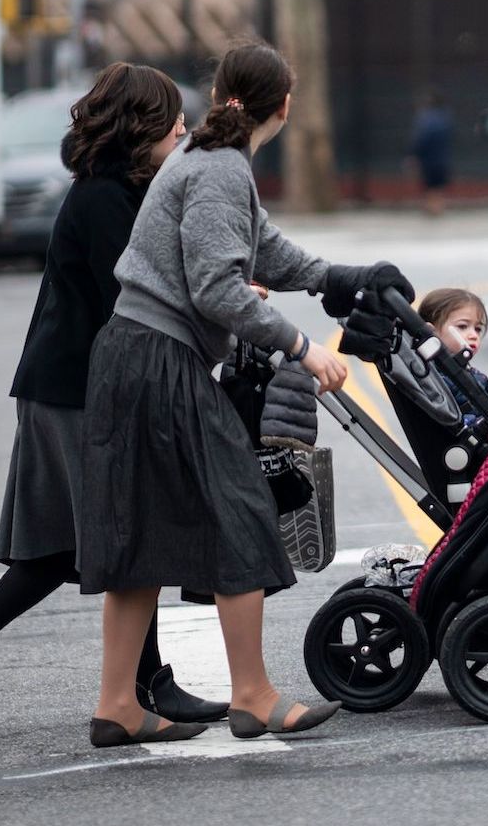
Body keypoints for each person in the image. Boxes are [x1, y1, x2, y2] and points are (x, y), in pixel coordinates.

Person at [72, 41, 414, 747]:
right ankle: (252, 695)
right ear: (283, 107)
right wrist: (302, 346)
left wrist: (337, 278)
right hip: (156, 360)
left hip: (135, 356)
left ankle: (118, 704)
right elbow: (218, 287)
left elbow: (262, 249)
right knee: (240, 511)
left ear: (223, 92)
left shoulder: (208, 159)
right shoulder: (221, 168)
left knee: (140, 530)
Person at [0, 64, 224, 735]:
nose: (182, 126)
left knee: (70, 544)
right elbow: (135, 301)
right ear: (138, 125)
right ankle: (149, 686)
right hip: (79, 391)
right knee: (121, 534)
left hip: (70, 386)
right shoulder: (103, 199)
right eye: (170, 116)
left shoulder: (121, 191)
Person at [417, 287, 488, 431]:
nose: (473, 335)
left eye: (477, 329)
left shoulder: (475, 376)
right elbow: (449, 421)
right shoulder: (437, 379)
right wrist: (483, 426)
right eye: (463, 326)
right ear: (432, 332)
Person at [408, 89, 453, 217]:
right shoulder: (446, 118)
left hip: (429, 158)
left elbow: (421, 140)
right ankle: (437, 208)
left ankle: (433, 208)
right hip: (442, 157)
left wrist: (414, 154)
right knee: (438, 186)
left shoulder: (426, 119)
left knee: (430, 185)